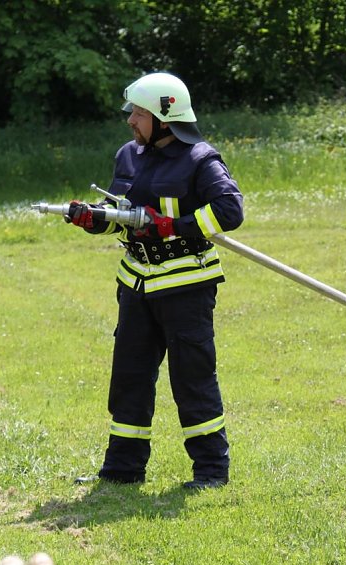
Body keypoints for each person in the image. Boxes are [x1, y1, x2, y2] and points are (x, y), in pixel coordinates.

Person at [67, 72, 244, 489]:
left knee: (192, 378)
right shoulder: (128, 154)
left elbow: (229, 211)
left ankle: (211, 471)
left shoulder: (201, 159)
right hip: (136, 283)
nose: (131, 120)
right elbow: (121, 216)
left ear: (165, 116)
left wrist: (174, 226)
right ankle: (122, 470)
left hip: (185, 285)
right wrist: (93, 219)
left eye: (139, 113)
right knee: (129, 375)